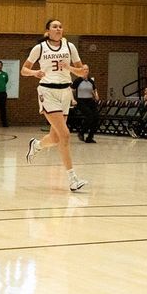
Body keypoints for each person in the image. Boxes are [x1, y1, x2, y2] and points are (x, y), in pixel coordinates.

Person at [23, 19, 89, 191]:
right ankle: (73, 179)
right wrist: (34, 72)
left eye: (60, 26)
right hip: (47, 91)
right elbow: (24, 69)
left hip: (65, 92)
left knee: (55, 138)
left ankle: (36, 145)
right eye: (55, 26)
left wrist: (69, 68)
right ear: (48, 31)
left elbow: (82, 72)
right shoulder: (40, 48)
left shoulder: (70, 47)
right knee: (65, 135)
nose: (58, 29)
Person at [74, 66, 100, 143]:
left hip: (90, 101)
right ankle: (81, 132)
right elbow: (71, 90)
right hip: (81, 101)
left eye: (87, 69)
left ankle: (90, 137)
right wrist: (73, 99)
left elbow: (94, 89)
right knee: (90, 116)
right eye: (84, 69)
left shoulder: (91, 81)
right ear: (81, 70)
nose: (86, 70)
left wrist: (96, 95)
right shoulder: (78, 80)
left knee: (96, 117)